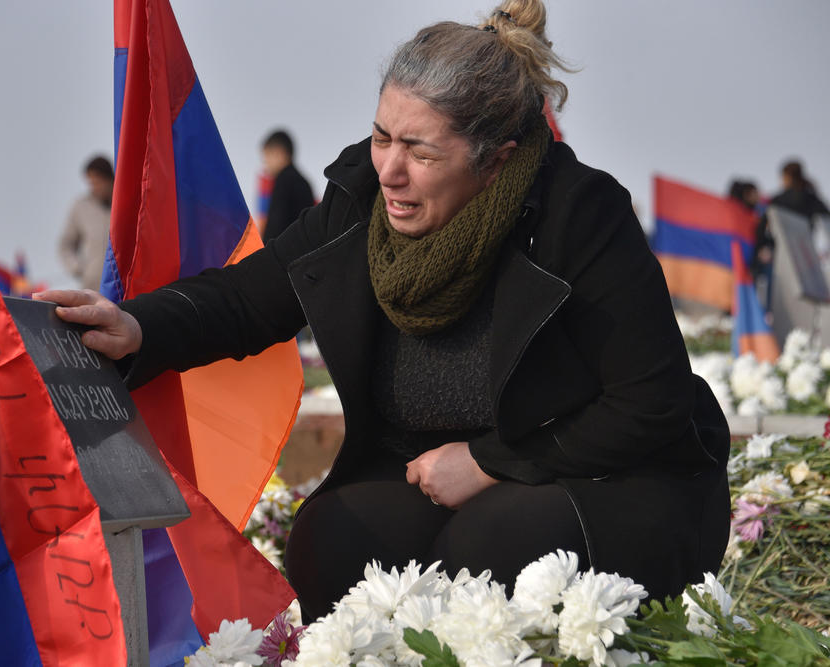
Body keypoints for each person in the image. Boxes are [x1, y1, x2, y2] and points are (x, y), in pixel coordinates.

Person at [37, 0, 730, 621]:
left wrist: (491, 461)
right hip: (434, 472)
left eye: (420, 150)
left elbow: (650, 404)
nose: (390, 169)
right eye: (382, 136)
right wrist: (139, 326)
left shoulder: (581, 216)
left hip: (609, 475)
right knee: (330, 543)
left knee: (489, 550)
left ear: (495, 161)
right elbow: (252, 295)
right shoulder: (362, 197)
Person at [58, 156, 113, 291]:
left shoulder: (125, 205)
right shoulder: (81, 207)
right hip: (92, 289)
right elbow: (65, 245)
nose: (94, 188)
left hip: (122, 288)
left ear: (110, 180)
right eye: (91, 183)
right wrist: (78, 268)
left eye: (98, 182)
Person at [259, 129, 314, 244]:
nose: (265, 164)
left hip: (285, 255)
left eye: (267, 158)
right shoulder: (304, 182)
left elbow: (275, 225)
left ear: (279, 153)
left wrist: (264, 254)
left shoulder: (283, 181)